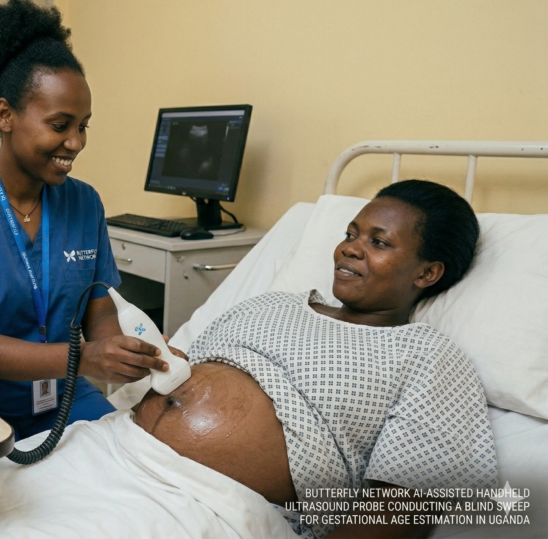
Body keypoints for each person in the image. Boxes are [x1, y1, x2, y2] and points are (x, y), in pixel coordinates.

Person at [134, 179, 498, 539]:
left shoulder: (428, 355)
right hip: (123, 450)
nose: (349, 249)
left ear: (427, 273)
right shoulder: (272, 303)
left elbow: (402, 507)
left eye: (379, 242)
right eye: (351, 234)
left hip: (215, 507)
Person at [0, 0, 171, 439]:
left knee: (132, 450)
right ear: (5, 115)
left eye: (83, 126)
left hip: (62, 394)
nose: (76, 142)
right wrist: (86, 358)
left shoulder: (85, 203)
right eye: (59, 125)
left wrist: (128, 349)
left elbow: (99, 311)